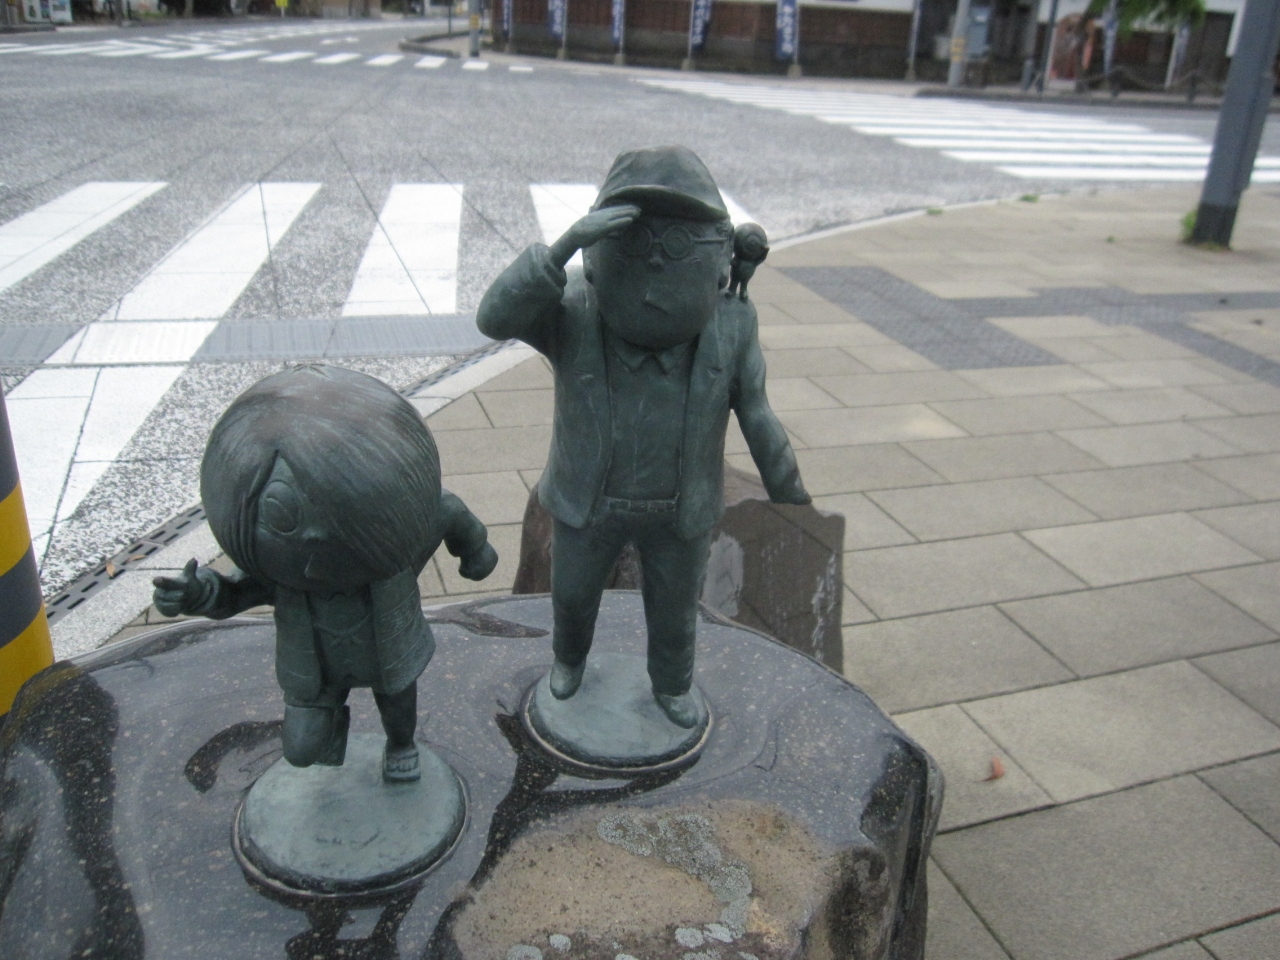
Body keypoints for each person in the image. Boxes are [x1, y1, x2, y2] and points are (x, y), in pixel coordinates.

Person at [477, 145, 809, 729]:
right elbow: (494, 318)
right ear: (598, 254)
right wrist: (562, 248)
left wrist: (793, 497)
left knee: (676, 610)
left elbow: (757, 413)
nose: (655, 261)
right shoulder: (572, 309)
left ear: (720, 258)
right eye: (634, 240)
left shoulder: (731, 322)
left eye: (677, 243)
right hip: (588, 500)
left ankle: (672, 684)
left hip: (679, 507)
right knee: (571, 598)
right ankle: (568, 662)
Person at [152, 365, 498, 782]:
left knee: (398, 703)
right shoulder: (282, 570)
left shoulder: (392, 547)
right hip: (315, 665)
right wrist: (197, 594)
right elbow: (235, 592)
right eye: (283, 517)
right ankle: (329, 733)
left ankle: (401, 744)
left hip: (386, 648)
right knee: (302, 750)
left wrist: (474, 549)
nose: (316, 535)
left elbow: (445, 510)